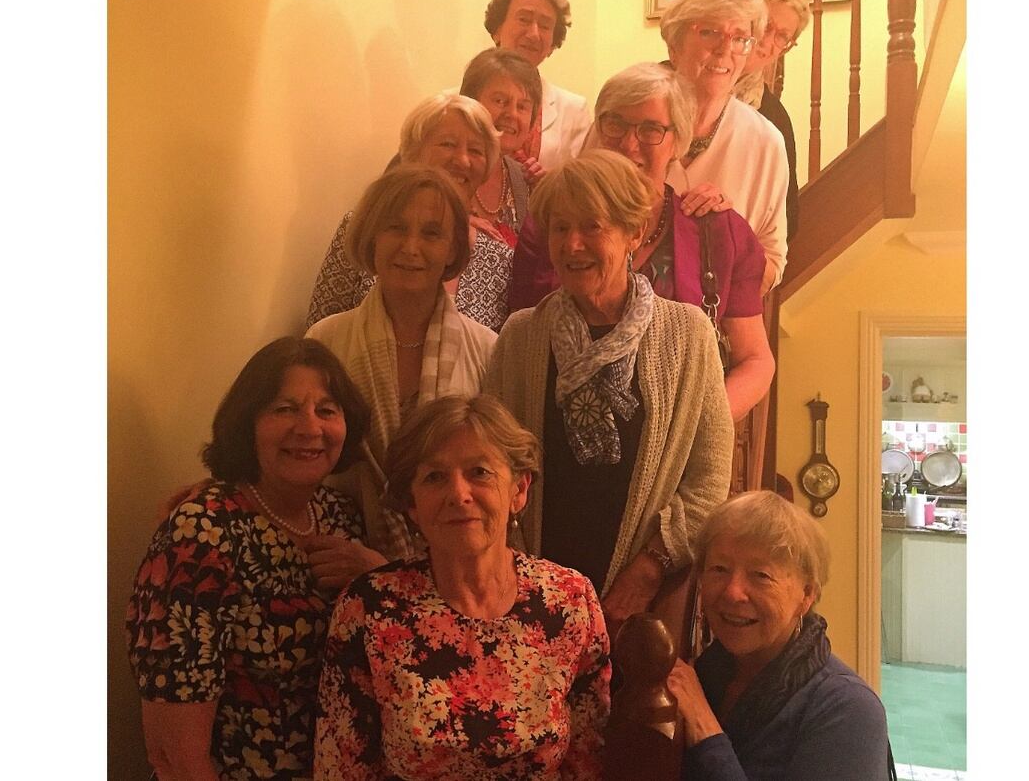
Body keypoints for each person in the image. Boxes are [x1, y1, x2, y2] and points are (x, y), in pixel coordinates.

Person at [484, 150, 733, 639]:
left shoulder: (686, 334)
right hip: (531, 596)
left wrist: (649, 568)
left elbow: (708, 479)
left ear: (633, 235)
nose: (573, 245)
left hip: (641, 606)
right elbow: (494, 463)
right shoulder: (521, 336)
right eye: (560, 228)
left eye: (593, 227)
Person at [315, 395, 610, 779]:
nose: (458, 493)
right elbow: (342, 767)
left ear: (519, 490)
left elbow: (588, 759)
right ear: (413, 505)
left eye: (480, 472)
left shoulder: (570, 601)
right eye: (434, 477)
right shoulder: (369, 609)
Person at [126, 337, 379, 780]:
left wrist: (377, 573)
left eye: (326, 409)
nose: (308, 427)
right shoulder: (199, 534)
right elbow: (175, 755)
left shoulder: (341, 517)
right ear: (248, 423)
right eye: (284, 409)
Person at [508, 62, 774, 423]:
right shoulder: (548, 226)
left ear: (677, 142)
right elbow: (522, 347)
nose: (628, 144)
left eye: (650, 129)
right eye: (615, 124)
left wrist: (700, 428)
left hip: (679, 445)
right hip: (559, 432)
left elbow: (755, 360)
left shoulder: (718, 232)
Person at [306, 165, 497, 561]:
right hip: (336, 556)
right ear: (371, 237)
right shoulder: (326, 341)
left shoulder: (489, 350)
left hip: (453, 567)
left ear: (452, 249)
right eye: (395, 228)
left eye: (431, 233)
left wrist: (389, 573)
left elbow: (493, 480)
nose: (411, 247)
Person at [666, 491, 895, 780]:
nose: (732, 592)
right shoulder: (706, 672)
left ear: (807, 594)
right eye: (719, 569)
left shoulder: (848, 709)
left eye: (761, 575)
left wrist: (704, 728)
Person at [305, 94, 511, 331]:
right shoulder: (365, 226)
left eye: (476, 150)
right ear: (413, 152)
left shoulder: (500, 259)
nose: (463, 160)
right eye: (448, 144)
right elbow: (318, 332)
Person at [661, 0, 789, 295]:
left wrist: (728, 234)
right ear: (675, 46)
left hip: (713, 332)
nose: (725, 50)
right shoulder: (626, 117)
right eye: (710, 32)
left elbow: (773, 263)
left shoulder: (766, 143)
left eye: (740, 38)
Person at [484, 0, 591, 172]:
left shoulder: (574, 111)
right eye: (524, 19)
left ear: (553, 42)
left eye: (544, 25)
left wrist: (550, 186)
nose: (534, 33)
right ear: (497, 28)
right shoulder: (458, 101)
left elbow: (582, 190)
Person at [736, 0, 812, 244]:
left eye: (783, 37)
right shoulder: (671, 80)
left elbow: (787, 215)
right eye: (765, 24)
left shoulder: (775, 118)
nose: (767, 42)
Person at [459, 47, 543, 245]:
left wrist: (545, 199)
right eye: (500, 101)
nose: (512, 114)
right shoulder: (431, 160)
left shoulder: (524, 182)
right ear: (470, 101)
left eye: (522, 106)